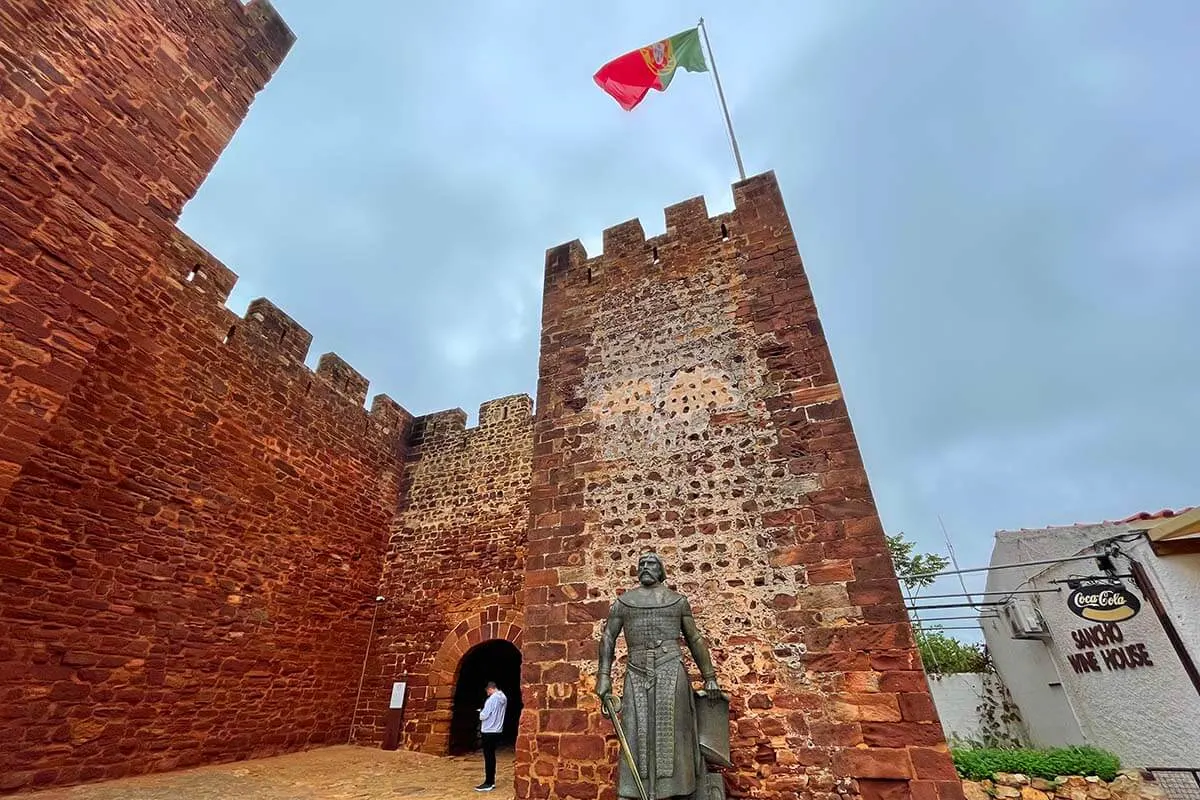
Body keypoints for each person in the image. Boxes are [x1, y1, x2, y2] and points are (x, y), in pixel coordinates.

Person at [596, 552, 722, 799]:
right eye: (641, 563)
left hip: (671, 669)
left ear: (661, 570)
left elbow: (694, 638)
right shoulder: (624, 602)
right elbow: (608, 637)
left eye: (651, 563)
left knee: (676, 732)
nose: (645, 567)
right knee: (635, 731)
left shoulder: (677, 601)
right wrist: (603, 675)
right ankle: (634, 792)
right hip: (636, 672)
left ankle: (679, 791)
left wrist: (709, 675)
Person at [475, 681, 507, 792]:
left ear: (490, 689)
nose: (487, 694)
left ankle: (489, 782)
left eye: (487, 692)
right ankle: (490, 781)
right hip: (497, 730)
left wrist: (480, 712)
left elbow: (484, 716)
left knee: (488, 757)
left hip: (488, 731)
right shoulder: (503, 697)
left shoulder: (492, 699)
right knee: (492, 756)